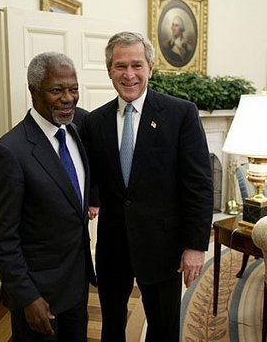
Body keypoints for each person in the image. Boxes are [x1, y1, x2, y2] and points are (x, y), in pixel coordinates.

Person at [80, 31, 213, 342]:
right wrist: (92, 199)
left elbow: (199, 185)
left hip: (162, 247)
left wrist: (195, 245)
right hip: (112, 246)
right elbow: (93, 173)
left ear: (151, 67)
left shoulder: (181, 114)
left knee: (163, 328)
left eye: (137, 65)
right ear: (109, 69)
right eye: (120, 66)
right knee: (111, 325)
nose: (129, 75)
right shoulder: (94, 122)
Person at [0, 52, 96, 342]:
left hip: (76, 286)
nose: (68, 98)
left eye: (73, 89)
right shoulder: (9, 152)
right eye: (57, 90)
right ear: (33, 90)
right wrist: (27, 297)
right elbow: (2, 238)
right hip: (39, 296)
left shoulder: (76, 130)